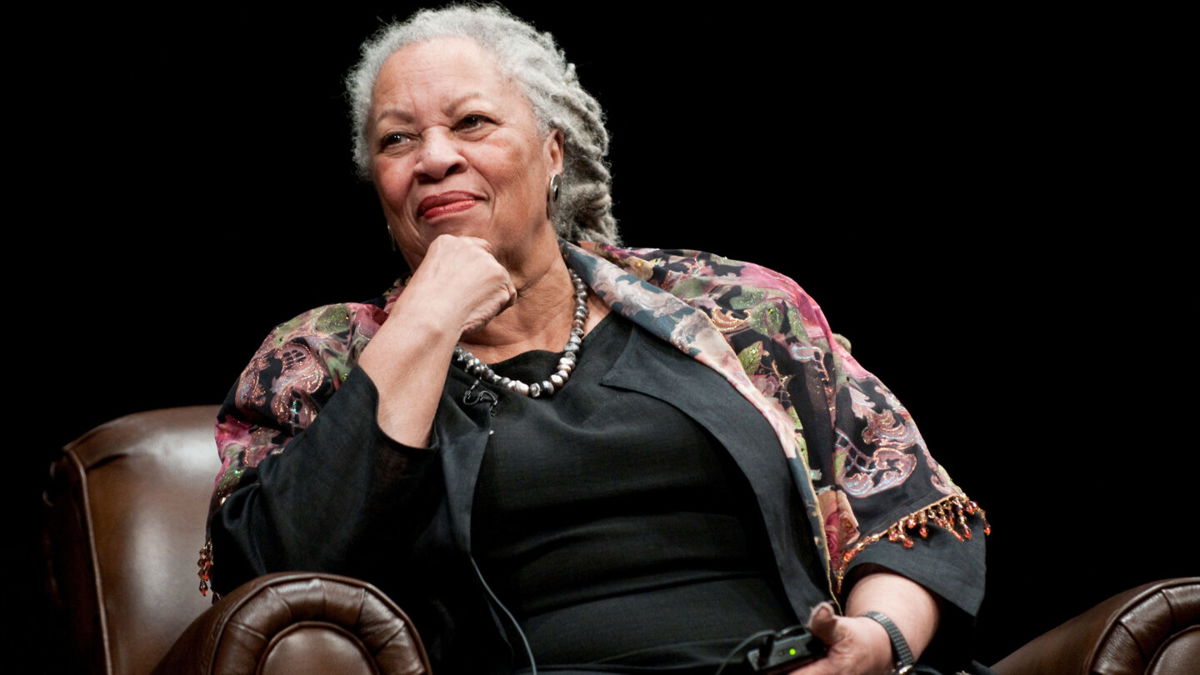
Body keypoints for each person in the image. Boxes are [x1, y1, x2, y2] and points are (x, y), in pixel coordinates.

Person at [201, 5, 989, 674]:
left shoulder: (734, 307)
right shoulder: (325, 357)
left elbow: (908, 503)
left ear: (552, 153)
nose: (435, 159)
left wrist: (877, 643)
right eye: (396, 141)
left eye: (471, 122)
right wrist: (426, 321)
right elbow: (269, 571)